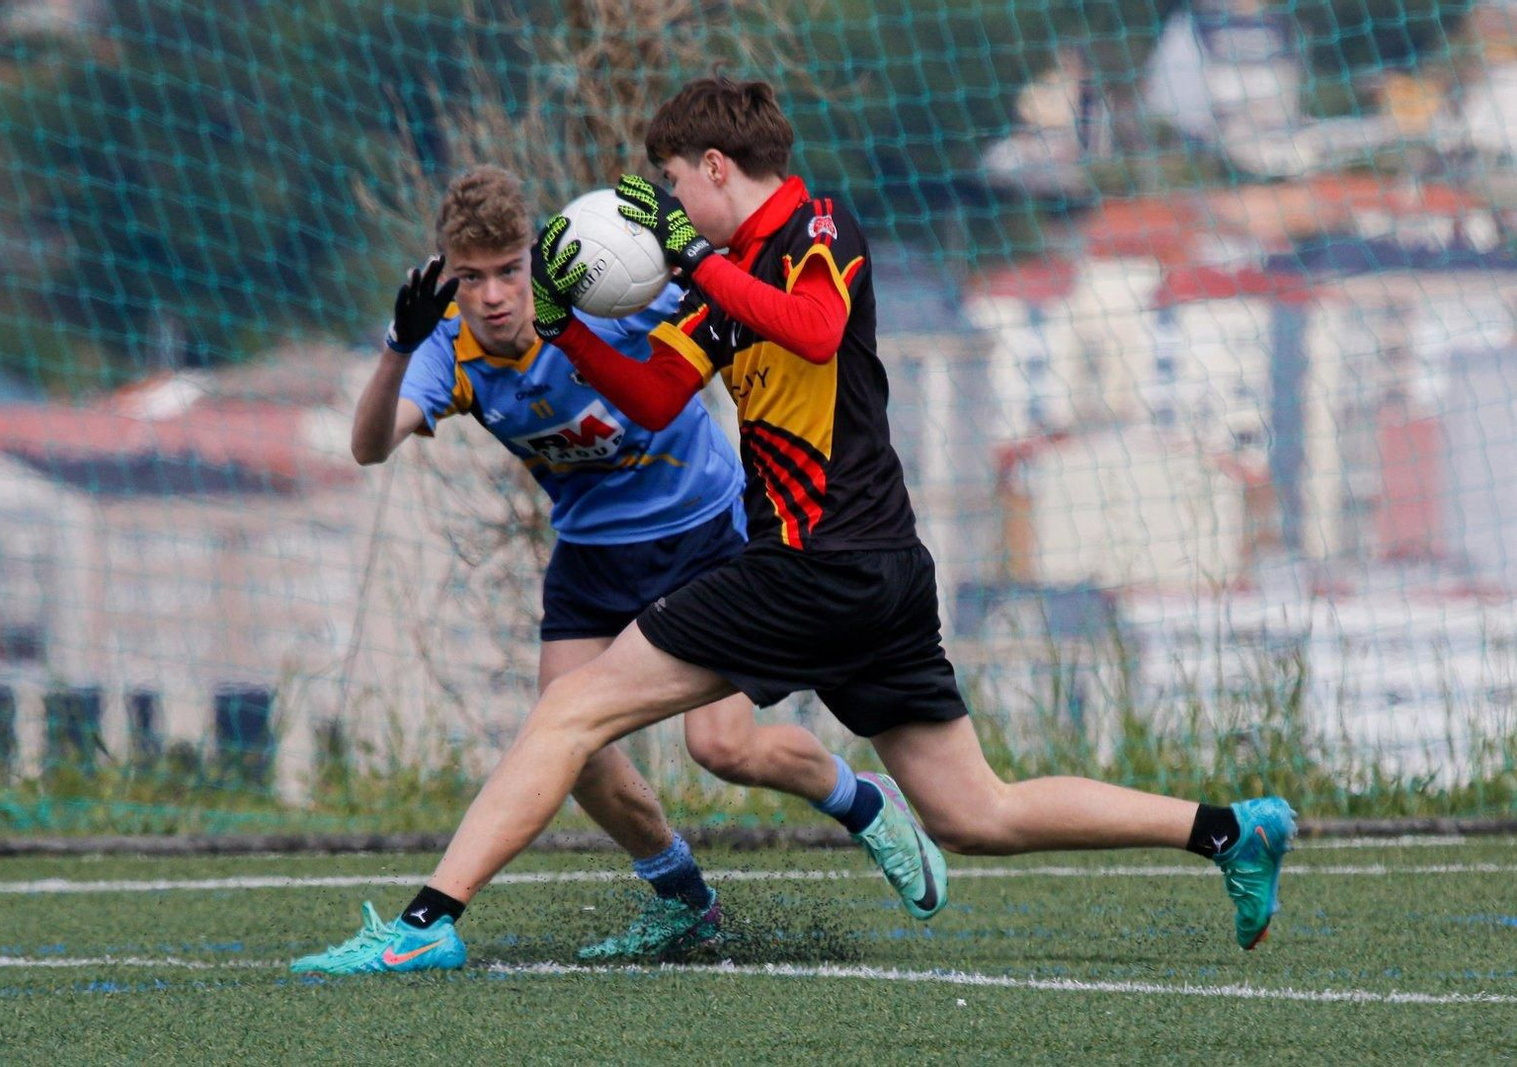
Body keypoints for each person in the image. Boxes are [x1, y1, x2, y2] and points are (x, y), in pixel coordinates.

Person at [301, 81, 1295, 975]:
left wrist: (690, 256)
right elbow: (649, 397)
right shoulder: (720, 278)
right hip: (872, 571)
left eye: (675, 186)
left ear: (717, 168)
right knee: (974, 810)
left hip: (813, 566)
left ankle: (424, 921)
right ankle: (1226, 831)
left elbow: (814, 328)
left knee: (570, 714)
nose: (669, 209)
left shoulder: (813, 226)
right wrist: (566, 328)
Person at [293, 165, 932, 972]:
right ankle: (685, 903)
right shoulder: (447, 346)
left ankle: (863, 800)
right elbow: (368, 445)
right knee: (571, 741)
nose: (492, 294)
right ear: (449, 276)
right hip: (591, 553)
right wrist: (397, 347)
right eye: (471, 277)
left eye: (508, 271)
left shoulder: (609, 295)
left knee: (723, 747)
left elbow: (727, 313)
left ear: (534, 260)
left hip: (703, 532)